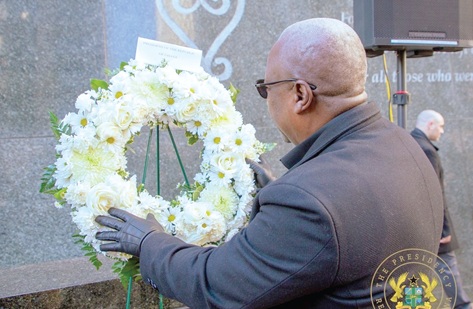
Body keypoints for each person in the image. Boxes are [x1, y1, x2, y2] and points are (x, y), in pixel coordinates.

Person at [95, 18, 443, 308]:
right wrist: (281, 192)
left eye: (266, 88)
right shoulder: (406, 145)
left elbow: (215, 285)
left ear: (300, 95)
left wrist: (149, 242)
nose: (266, 98)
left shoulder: (308, 202)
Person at [411, 110, 472, 309]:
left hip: (416, 225)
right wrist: (444, 229)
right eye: (440, 126)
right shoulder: (427, 150)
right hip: (433, 226)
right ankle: (462, 306)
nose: (442, 131)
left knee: (416, 268)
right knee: (447, 267)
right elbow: (435, 193)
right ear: (429, 125)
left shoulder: (410, 143)